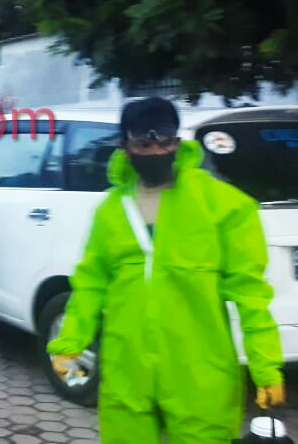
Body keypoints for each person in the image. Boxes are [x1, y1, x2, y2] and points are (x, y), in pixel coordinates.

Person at [48, 97, 286, 442]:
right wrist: (70, 343)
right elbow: (90, 285)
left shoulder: (223, 207)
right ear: (125, 147)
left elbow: (251, 294)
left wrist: (266, 367)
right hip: (127, 372)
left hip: (199, 375)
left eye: (165, 142)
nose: (157, 151)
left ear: (178, 142)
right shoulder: (111, 212)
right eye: (144, 143)